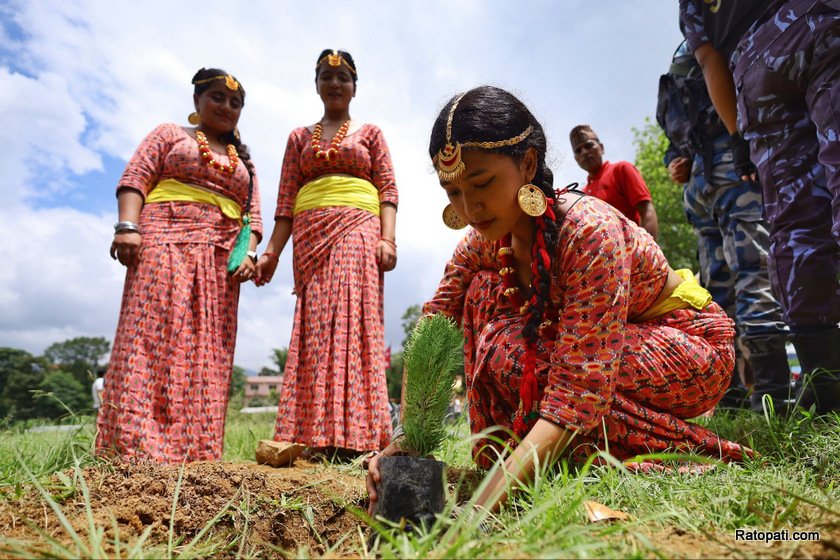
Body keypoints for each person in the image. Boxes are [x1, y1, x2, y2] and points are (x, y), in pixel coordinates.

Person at [367, 86, 750, 514]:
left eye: (482, 182)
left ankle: (685, 449)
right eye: (453, 192)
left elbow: (578, 385)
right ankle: (526, 453)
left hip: (690, 349)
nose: (471, 207)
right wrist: (408, 439)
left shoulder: (589, 232)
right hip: (600, 360)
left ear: (527, 164)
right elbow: (437, 320)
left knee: (509, 351)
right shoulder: (484, 242)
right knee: (481, 294)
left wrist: (485, 504)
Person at [679, 0, 840, 413]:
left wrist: (738, 136)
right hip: (820, 18)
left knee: (794, 222)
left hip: (755, 65)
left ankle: (825, 387)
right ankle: (789, 389)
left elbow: (710, 58)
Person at [97, 68, 262, 463]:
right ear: (197, 102)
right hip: (163, 244)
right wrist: (128, 227)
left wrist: (250, 253)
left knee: (207, 353)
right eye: (217, 98)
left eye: (235, 102)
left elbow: (252, 219)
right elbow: (136, 177)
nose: (226, 107)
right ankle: (135, 449)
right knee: (150, 338)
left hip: (219, 263)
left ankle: (195, 454)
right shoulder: (168, 135)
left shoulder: (246, 164)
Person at [256, 50, 397, 456]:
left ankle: (358, 436)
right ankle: (314, 434)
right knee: (316, 328)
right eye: (327, 75)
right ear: (316, 83)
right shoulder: (299, 137)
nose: (335, 83)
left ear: (354, 87)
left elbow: (388, 190)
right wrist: (271, 254)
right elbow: (285, 203)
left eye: (343, 77)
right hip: (310, 236)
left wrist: (388, 239)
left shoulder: (370, 134)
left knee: (354, 320)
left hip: (358, 229)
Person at [656, 41, 793, 413]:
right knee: (754, 274)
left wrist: (678, 162)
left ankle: (727, 395)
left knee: (717, 288)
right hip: (734, 168)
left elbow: (675, 141)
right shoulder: (720, 44)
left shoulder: (678, 62)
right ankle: (774, 396)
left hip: (698, 183)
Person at [569, 125, 659, 240]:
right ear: (576, 158)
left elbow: (647, 211)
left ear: (601, 148)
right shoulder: (582, 195)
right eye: (578, 150)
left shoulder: (621, 169)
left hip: (634, 251)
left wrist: (648, 253)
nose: (584, 152)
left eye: (589, 145)